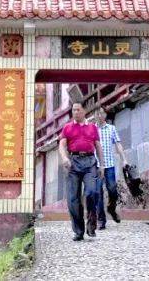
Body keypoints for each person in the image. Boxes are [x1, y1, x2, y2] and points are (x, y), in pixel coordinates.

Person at [58, 102, 103, 241]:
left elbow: (98, 147)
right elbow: (62, 145)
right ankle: (78, 231)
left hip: (90, 162)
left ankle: (91, 223)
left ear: (84, 111)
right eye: (73, 110)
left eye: (78, 110)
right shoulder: (67, 127)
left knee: (92, 192)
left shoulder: (92, 128)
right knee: (73, 199)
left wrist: (102, 165)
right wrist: (65, 158)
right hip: (73, 163)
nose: (75, 112)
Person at [92, 107, 127, 228]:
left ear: (105, 115)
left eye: (101, 113)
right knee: (98, 193)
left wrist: (124, 159)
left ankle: (111, 208)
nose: (99, 115)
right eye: (97, 113)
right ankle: (101, 220)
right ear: (95, 115)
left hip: (109, 166)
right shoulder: (92, 129)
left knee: (112, 190)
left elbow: (118, 144)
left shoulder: (111, 128)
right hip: (96, 166)